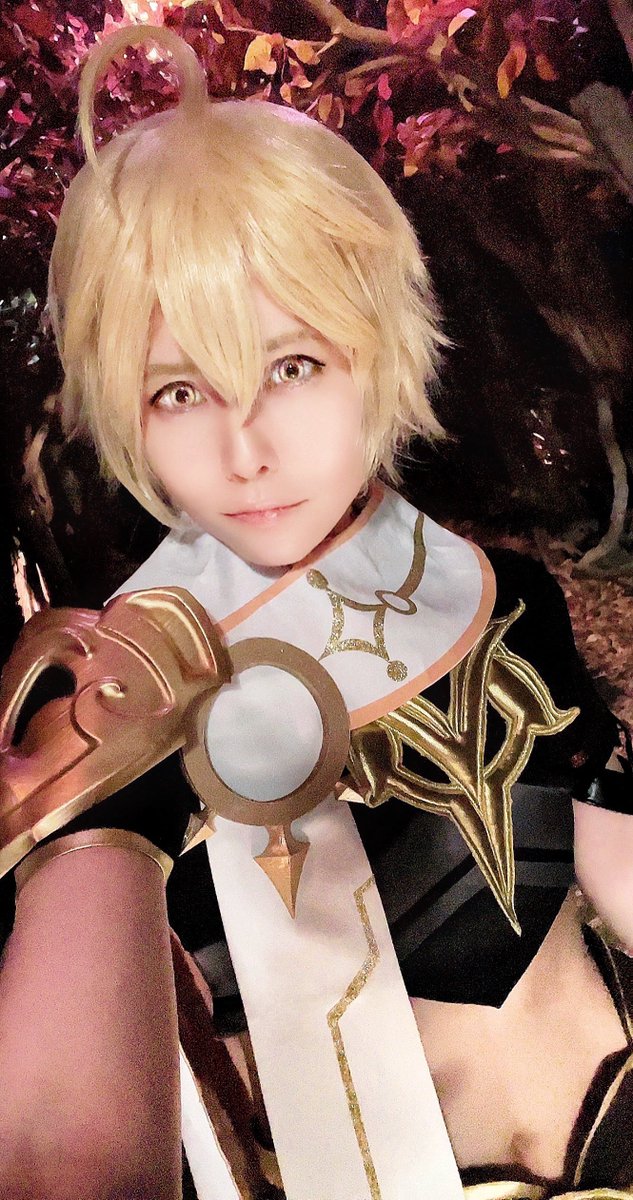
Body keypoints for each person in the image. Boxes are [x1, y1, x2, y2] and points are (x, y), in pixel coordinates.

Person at [0, 21, 632, 1200]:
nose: (246, 450)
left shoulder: (504, 595)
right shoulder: (116, 702)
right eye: (179, 390)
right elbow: (61, 1147)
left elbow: (603, 861)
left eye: (291, 366)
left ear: (376, 344)